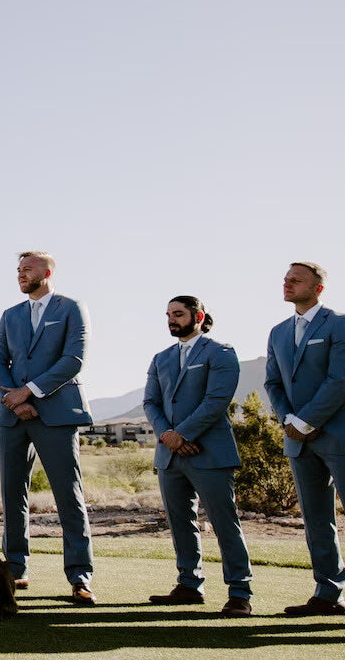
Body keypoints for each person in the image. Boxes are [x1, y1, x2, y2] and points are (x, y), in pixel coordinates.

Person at [0, 251, 97, 605]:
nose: (21, 274)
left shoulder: (70, 307)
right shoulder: (10, 315)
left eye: (28, 269)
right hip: (13, 416)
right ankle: (16, 569)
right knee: (12, 494)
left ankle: (80, 576)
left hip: (58, 413)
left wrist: (29, 392)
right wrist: (14, 400)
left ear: (47, 272)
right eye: (18, 270)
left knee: (69, 496)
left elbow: (74, 359)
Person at [141, 295, 252, 616]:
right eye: (168, 315)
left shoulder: (221, 353)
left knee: (224, 523)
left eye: (178, 314)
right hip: (170, 456)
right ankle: (189, 585)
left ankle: (240, 592)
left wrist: (182, 435)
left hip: (210, 453)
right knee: (180, 523)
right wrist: (168, 437)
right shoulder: (160, 358)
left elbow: (216, 400)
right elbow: (151, 403)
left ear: (198, 316)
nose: (171, 320)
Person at [264, 262, 345, 616]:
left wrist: (307, 420)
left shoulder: (339, 325)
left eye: (296, 279)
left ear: (318, 288)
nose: (287, 283)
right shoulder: (278, 332)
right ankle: (327, 594)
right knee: (316, 519)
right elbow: (273, 383)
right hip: (297, 439)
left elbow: (339, 379)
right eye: (286, 279)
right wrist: (288, 421)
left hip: (338, 434)